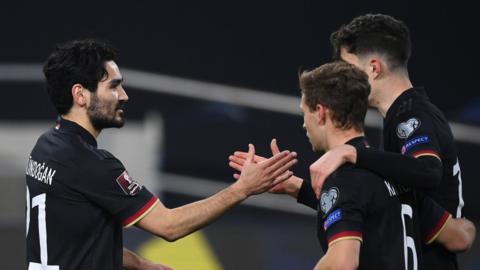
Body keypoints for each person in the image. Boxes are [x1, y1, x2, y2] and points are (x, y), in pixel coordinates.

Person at [26, 39, 298, 270]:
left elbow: (77, 243)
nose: (124, 95)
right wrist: (243, 188)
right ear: (81, 95)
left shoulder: (45, 147)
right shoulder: (92, 164)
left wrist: (141, 265)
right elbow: (170, 226)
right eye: (113, 86)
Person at [231, 13, 475, 270]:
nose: (345, 76)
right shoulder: (393, 168)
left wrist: (351, 153)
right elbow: (459, 234)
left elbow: (428, 171)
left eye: (348, 66)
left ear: (373, 68)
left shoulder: (410, 114)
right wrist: (297, 188)